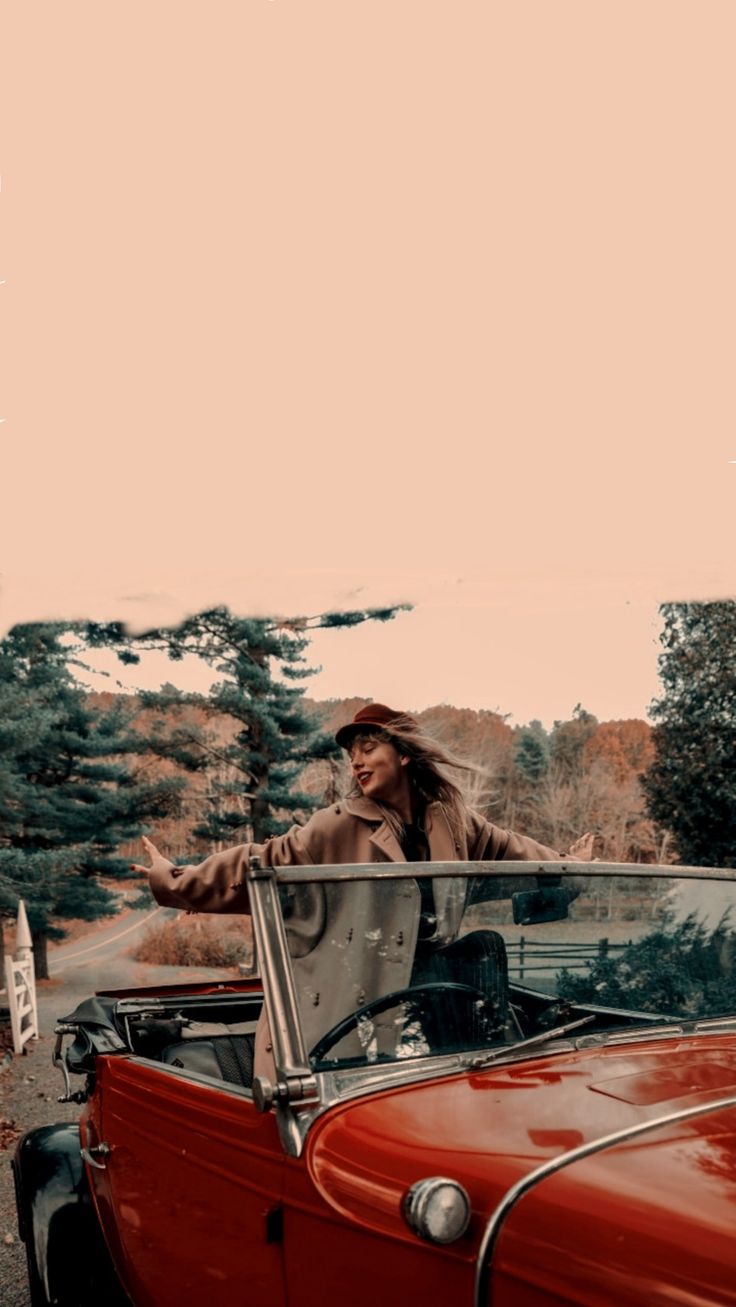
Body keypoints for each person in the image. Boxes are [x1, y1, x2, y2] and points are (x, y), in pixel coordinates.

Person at [134, 704, 591, 1073]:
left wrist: (572, 868)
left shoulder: (453, 821)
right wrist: (172, 880)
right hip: (355, 1008)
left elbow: (518, 856)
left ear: (404, 755)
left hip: (439, 1010)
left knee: (484, 955)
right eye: (353, 754)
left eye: (369, 749)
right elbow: (260, 863)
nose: (356, 762)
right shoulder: (336, 826)